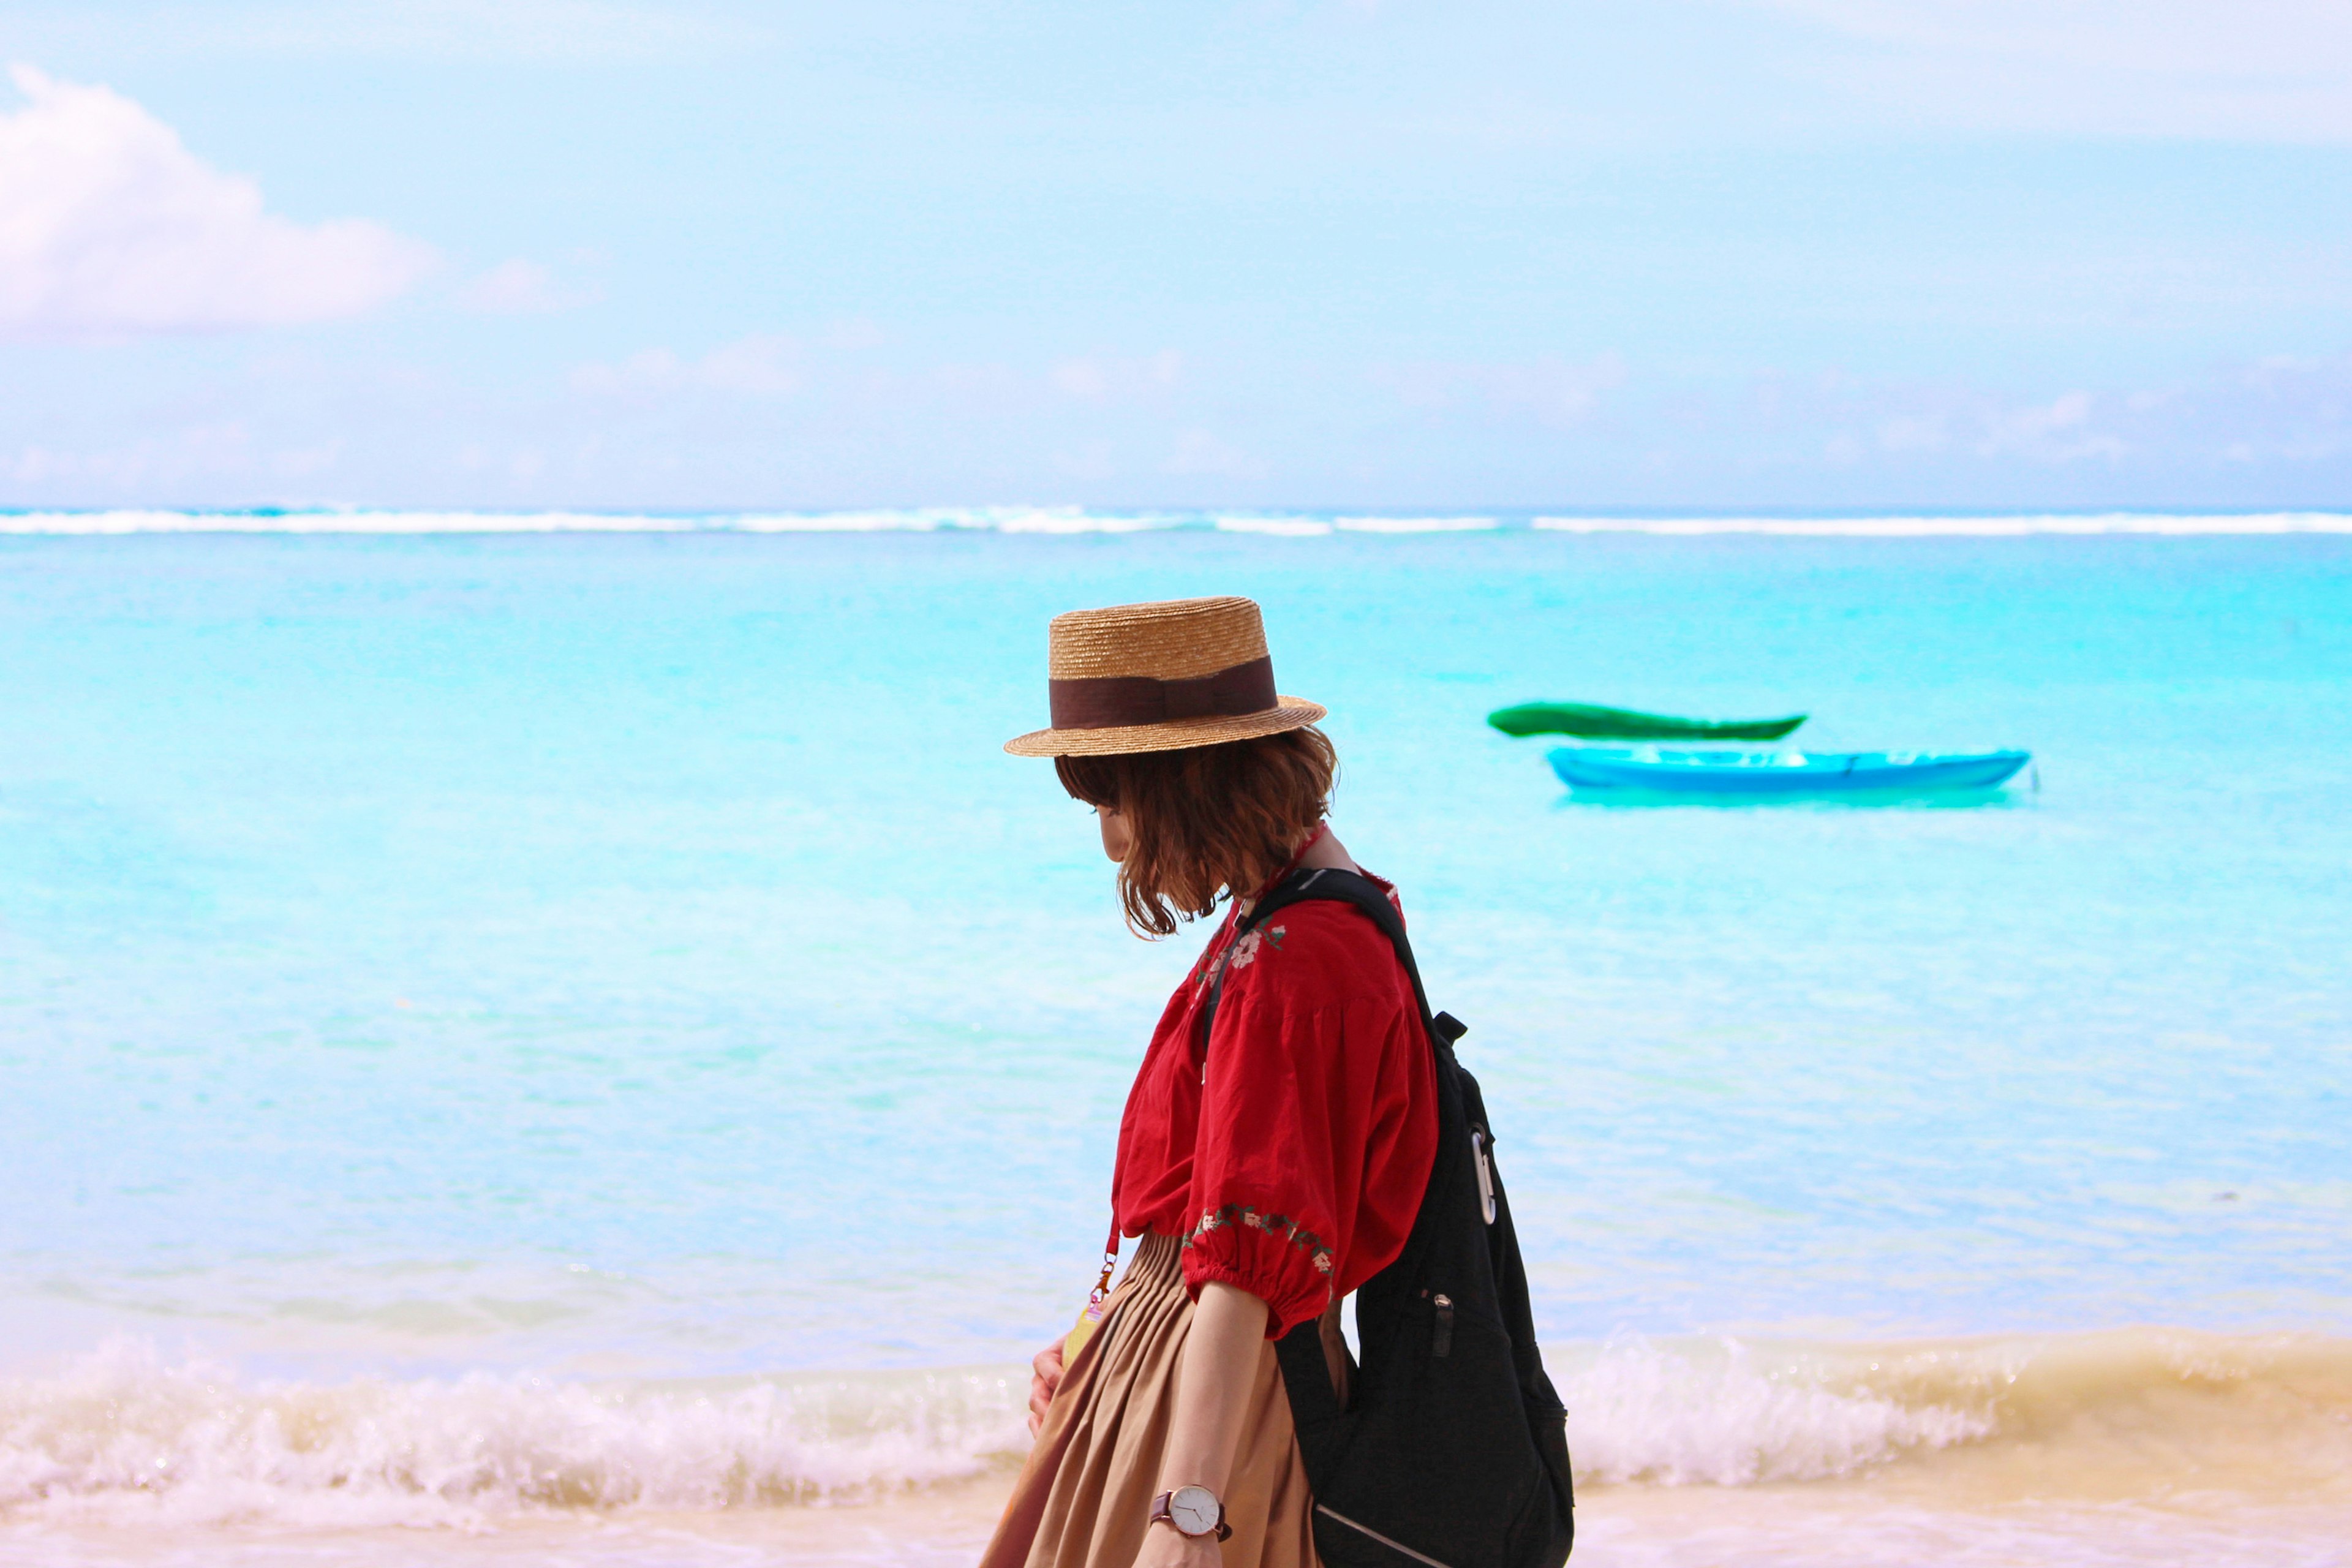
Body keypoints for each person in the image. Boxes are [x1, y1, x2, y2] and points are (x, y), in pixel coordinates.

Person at [982, 595, 1438, 1568]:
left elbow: (1247, 1254)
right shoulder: (1316, 911)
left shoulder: (1296, 958)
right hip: (1177, 1365)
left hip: (1213, 1396)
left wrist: (1186, 1514)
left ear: (1189, 782)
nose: (1110, 840)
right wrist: (1095, 1333)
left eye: (1114, 800)